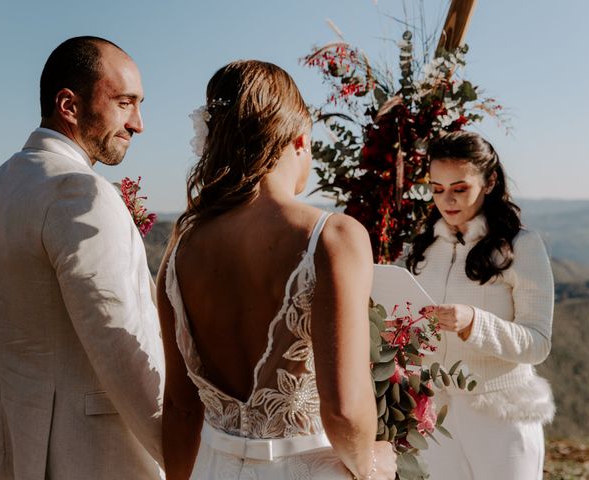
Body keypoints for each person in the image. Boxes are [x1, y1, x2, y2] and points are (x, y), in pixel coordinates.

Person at [156, 60, 398, 479]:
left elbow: (179, 409)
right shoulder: (331, 237)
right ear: (300, 140)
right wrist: (371, 465)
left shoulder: (180, 249)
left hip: (213, 468)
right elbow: (343, 410)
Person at [0, 36, 164, 479]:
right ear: (69, 106)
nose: (138, 124)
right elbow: (121, 343)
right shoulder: (80, 192)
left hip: (12, 435)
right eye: (125, 103)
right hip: (90, 451)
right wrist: (182, 451)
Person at [406, 131, 555, 480]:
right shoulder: (423, 250)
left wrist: (474, 322)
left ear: (489, 183)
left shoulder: (522, 246)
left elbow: (538, 343)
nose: (447, 200)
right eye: (437, 188)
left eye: (460, 188)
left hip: (501, 419)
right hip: (436, 416)